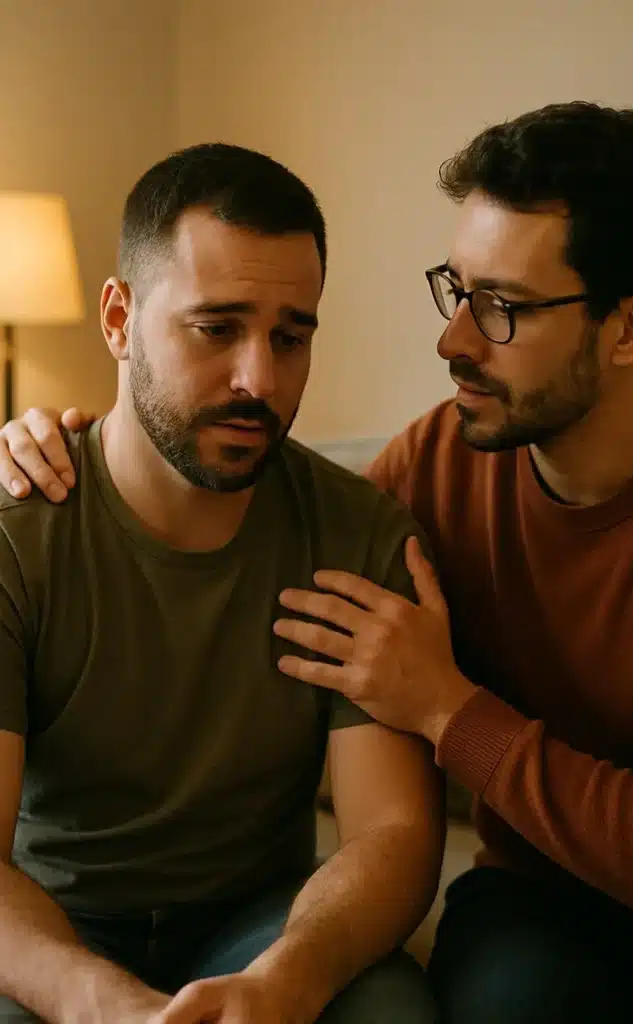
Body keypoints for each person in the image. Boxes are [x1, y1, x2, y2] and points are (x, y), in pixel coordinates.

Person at [13, 101, 633, 1022]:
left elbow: (399, 831)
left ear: (631, 328)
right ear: (119, 318)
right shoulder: (428, 475)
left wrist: (446, 708)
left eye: (503, 309)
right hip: (535, 893)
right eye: (458, 291)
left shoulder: (370, 519)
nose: (450, 341)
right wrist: (40, 439)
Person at [0, 143, 444, 1024]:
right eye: (217, 327)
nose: (260, 380)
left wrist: (290, 976)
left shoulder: (358, 532)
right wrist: (107, 1005)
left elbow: (390, 831)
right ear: (119, 319)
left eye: (290, 336)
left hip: (263, 925)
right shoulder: (19, 532)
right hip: (54, 924)